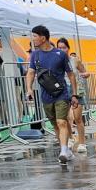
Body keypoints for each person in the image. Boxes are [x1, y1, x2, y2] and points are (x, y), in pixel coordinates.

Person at [25, 25, 76, 163]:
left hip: (61, 94)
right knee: (55, 124)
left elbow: (71, 75)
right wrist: (29, 88)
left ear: (43, 37)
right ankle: (66, 150)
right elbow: (30, 72)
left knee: (61, 122)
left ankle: (64, 150)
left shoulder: (60, 54)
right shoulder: (35, 55)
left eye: (35, 36)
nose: (33, 39)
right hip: (46, 95)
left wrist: (74, 94)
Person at [57, 40, 88, 154]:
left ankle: (82, 143)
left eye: (64, 47)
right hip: (63, 92)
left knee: (78, 118)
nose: (62, 50)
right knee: (65, 118)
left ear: (68, 48)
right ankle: (70, 138)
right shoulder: (56, 61)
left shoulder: (75, 60)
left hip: (76, 91)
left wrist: (85, 74)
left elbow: (85, 72)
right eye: (59, 48)